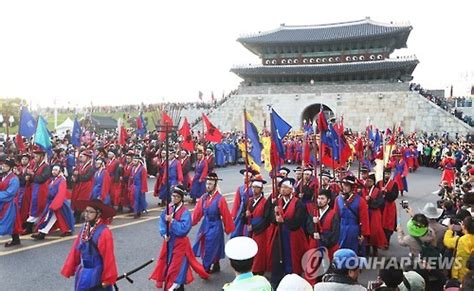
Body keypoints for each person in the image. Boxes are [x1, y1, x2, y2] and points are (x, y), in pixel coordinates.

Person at [149, 185, 209, 290]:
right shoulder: (169, 208)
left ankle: (173, 286)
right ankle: (177, 285)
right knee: (166, 264)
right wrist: (164, 234)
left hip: (180, 244)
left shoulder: (185, 212)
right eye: (173, 196)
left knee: (176, 267)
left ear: (181, 198)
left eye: (176, 196)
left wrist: (172, 221)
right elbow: (162, 222)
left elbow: (184, 229)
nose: (174, 198)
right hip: (168, 242)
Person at [61, 199, 118, 290]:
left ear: (98, 214)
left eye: (90, 212)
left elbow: (108, 257)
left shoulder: (104, 232)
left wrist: (108, 278)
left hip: (97, 273)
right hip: (83, 271)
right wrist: (70, 267)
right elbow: (76, 250)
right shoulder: (84, 228)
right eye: (86, 211)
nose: (86, 214)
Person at [268, 177, 308, 288]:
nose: (283, 190)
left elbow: (298, 221)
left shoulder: (298, 203)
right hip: (279, 233)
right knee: (278, 257)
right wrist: (274, 215)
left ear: (291, 190)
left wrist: (284, 220)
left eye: (286, 187)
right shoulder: (277, 202)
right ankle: (277, 282)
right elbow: (271, 219)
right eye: (281, 187)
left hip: (293, 235)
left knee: (293, 260)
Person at [192, 173, 235, 273]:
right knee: (206, 244)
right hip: (205, 224)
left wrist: (228, 227)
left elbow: (226, 215)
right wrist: (189, 223)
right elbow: (197, 212)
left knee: (210, 246)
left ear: (215, 185)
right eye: (207, 184)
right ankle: (216, 264)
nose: (208, 186)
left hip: (215, 225)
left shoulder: (220, 199)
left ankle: (205, 268)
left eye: (210, 184)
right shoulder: (203, 198)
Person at [32, 164, 74, 240]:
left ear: (60, 171)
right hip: (53, 202)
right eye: (53, 170)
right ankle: (43, 232)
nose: (53, 171)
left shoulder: (62, 180)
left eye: (56, 170)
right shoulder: (54, 179)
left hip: (58, 203)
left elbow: (61, 193)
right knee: (54, 218)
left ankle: (42, 233)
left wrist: (55, 204)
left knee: (50, 217)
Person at [333, 175, 370, 255]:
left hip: (354, 230)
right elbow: (335, 217)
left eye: (346, 185)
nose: (344, 188)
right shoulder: (338, 199)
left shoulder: (361, 201)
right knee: (341, 252)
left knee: (353, 253)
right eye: (343, 185)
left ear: (352, 187)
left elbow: (364, 219)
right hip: (341, 229)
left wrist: (363, 234)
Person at [245, 177, 270, 275]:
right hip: (250, 227)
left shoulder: (265, 202)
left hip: (260, 229)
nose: (254, 189)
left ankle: (258, 270)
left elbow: (266, 219)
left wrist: (255, 228)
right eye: (253, 187)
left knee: (259, 250)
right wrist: (246, 215)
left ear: (261, 189)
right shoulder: (250, 201)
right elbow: (244, 216)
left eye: (256, 187)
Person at [24, 147, 52, 234]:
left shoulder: (46, 166)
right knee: (35, 207)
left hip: (42, 190)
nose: (35, 158)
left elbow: (42, 178)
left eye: (36, 156)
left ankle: (31, 226)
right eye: (34, 156)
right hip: (35, 189)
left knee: (39, 207)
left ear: (42, 157)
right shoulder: (36, 166)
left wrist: (32, 174)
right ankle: (32, 226)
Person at [443, 216, 474, 281]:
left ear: (464, 227)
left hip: (461, 275)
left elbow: (447, 241)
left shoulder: (460, 240)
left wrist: (449, 230)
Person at [365, 173, 387, 256]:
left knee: (374, 231)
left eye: (370, 181)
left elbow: (380, 203)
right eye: (367, 181)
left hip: (374, 213)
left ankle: (375, 248)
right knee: (366, 231)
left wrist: (370, 200)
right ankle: (366, 248)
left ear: (373, 182)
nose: (368, 183)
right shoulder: (363, 190)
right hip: (366, 213)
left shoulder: (378, 191)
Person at [0, 158, 21, 247]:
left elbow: (10, 193)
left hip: (9, 204)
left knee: (7, 222)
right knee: (13, 223)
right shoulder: (3, 176)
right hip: (3, 202)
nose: (3, 167)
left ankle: (15, 239)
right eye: (3, 165)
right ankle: (16, 239)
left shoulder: (14, 179)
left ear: (11, 167)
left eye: (6, 166)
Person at [230, 168, 255, 238]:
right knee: (237, 230)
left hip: (250, 211)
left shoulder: (254, 188)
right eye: (244, 176)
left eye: (247, 176)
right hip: (241, 212)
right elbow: (236, 203)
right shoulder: (240, 188)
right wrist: (233, 216)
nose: (245, 178)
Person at [71, 150, 94, 223]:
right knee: (76, 199)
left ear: (87, 158)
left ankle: (78, 215)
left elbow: (87, 177)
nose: (81, 158)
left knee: (82, 200)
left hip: (86, 186)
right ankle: (77, 214)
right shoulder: (81, 166)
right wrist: (74, 176)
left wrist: (78, 176)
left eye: (83, 156)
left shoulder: (90, 167)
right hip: (79, 185)